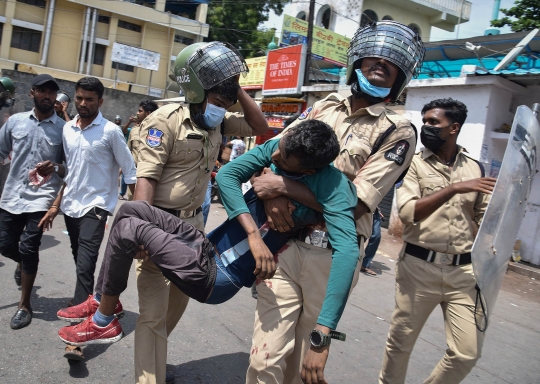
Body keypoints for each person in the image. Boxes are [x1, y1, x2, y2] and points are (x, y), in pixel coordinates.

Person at [56, 121, 358, 357]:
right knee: (131, 210)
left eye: (283, 158)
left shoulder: (334, 188)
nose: (274, 154)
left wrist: (325, 328)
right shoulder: (283, 147)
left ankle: (103, 322)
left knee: (127, 230)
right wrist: (256, 228)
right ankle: (101, 300)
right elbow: (227, 175)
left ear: (307, 169)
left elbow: (347, 252)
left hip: (218, 276)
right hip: (206, 247)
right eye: (277, 149)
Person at [245, 21, 425, 383]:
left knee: (301, 368)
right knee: (264, 362)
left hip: (332, 258)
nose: (381, 65)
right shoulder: (322, 106)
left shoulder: (398, 130)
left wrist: (282, 187)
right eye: (375, 57)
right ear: (357, 61)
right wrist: (270, 196)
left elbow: (355, 204)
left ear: (400, 80)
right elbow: (273, 155)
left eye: (391, 66)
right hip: (285, 245)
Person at [129, 42, 268, 384]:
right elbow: (145, 180)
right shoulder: (164, 121)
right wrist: (142, 232)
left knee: (176, 305)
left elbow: (259, 124)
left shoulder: (217, 123)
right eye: (217, 101)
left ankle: (156, 364)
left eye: (226, 103)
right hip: (159, 223)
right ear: (194, 89)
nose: (221, 108)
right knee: (151, 315)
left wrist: (234, 88)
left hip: (193, 227)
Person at [378, 98, 496, 384]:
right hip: (419, 268)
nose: (426, 127)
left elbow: (485, 220)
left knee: (466, 353)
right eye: (425, 120)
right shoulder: (414, 164)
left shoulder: (475, 168)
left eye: (434, 122)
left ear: (454, 128)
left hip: (464, 274)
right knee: (400, 345)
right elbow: (406, 213)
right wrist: (453, 189)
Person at [52, 77, 137, 309]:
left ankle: (77, 324)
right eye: (79, 98)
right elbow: (70, 171)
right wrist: (56, 204)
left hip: (96, 207)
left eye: (89, 99)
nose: (83, 103)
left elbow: (130, 172)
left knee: (86, 264)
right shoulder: (67, 129)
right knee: (80, 259)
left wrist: (141, 214)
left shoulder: (110, 131)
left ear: (100, 101)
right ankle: (92, 300)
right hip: (70, 205)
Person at [0, 74, 64, 329]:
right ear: (32, 94)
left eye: (51, 92)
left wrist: (56, 166)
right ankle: (20, 262)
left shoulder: (64, 130)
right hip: (12, 195)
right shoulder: (14, 122)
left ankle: (24, 305)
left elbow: (71, 167)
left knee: (29, 248)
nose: (47, 96)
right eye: (42, 91)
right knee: (5, 245)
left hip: (42, 199)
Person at [120, 100, 158, 200]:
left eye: (140, 111)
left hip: (149, 178)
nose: (137, 113)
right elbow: (128, 152)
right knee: (132, 203)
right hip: (133, 176)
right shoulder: (134, 131)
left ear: (148, 113)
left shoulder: (157, 132)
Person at [361, 207, 383, 276]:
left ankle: (364, 264)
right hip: (365, 211)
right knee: (362, 237)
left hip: (375, 213)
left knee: (376, 236)